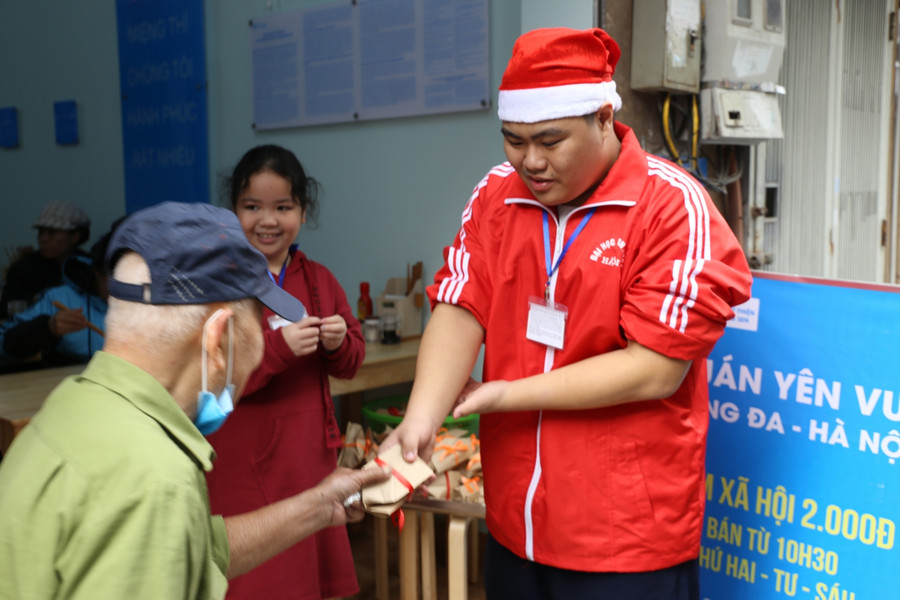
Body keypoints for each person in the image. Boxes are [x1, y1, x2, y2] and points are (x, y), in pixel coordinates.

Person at [384, 28, 753, 600]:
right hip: (514, 524)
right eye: (513, 139)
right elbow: (461, 305)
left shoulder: (670, 207)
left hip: (624, 539)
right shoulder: (496, 197)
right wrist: (420, 421)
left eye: (550, 141)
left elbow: (656, 367)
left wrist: (506, 393)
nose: (530, 161)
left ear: (604, 117)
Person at [0, 202, 389, 600]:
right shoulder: (153, 476)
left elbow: (187, 549)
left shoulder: (70, 409)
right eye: (257, 331)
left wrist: (320, 505)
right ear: (217, 339)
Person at [205, 144, 366, 600]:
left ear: (302, 211)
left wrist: (337, 343)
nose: (267, 220)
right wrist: (277, 349)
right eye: (251, 207)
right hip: (244, 454)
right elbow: (213, 376)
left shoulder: (319, 279)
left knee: (308, 570)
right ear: (233, 211)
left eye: (282, 207)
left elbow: (352, 363)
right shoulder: (219, 282)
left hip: (306, 454)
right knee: (259, 575)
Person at [0, 219, 120, 368]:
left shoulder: (149, 302)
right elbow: (3, 343)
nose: (129, 285)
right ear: (97, 271)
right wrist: (47, 328)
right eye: (116, 275)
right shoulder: (61, 299)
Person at [1, 200, 91, 319]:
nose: (43, 239)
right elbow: (5, 309)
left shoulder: (89, 266)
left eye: (51, 233)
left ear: (75, 236)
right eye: (41, 231)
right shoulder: (23, 269)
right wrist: (35, 300)